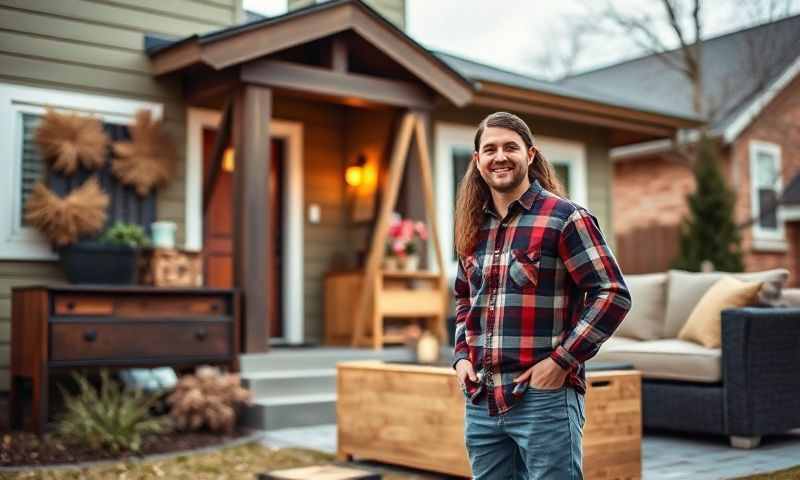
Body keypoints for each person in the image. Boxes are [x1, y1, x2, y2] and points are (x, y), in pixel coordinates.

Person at [452, 112, 632, 479]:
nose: (499, 156)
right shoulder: (473, 227)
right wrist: (460, 357)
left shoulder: (565, 218)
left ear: (530, 155)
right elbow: (463, 299)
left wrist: (561, 361)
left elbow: (612, 293)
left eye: (510, 147)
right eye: (489, 149)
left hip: (544, 399)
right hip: (482, 400)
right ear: (477, 160)